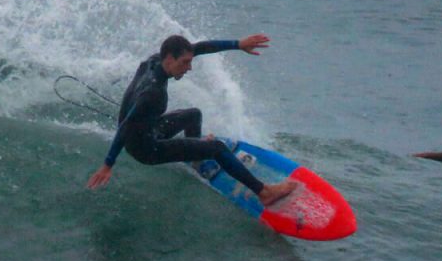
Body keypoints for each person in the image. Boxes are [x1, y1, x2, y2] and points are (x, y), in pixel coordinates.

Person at [87, 33, 295, 206]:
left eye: (190, 61)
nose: (189, 67)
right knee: (218, 148)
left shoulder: (153, 62)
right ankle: (265, 193)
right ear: (169, 59)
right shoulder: (154, 93)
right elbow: (125, 127)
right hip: (146, 148)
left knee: (193, 114)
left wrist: (238, 45)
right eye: (185, 62)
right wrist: (108, 164)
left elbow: (200, 47)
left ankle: (197, 159)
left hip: (148, 128)